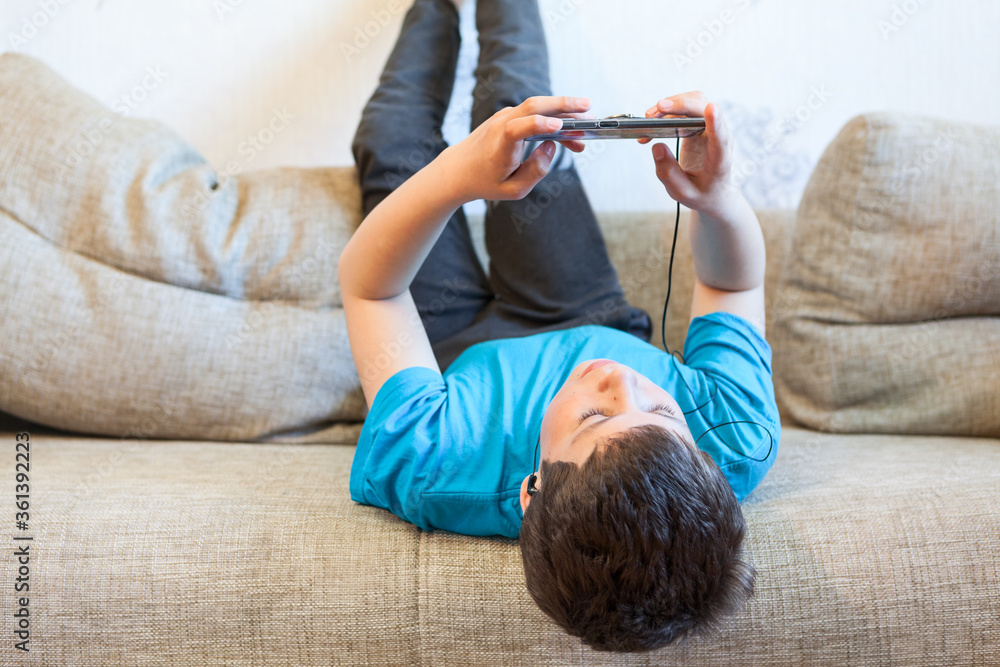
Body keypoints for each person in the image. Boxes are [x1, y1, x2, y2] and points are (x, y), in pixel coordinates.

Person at [339, 0, 780, 652]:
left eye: (597, 417)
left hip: (451, 346)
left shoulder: (436, 460)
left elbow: (370, 288)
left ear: (530, 489)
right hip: (579, 310)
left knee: (394, 143)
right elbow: (732, 284)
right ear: (704, 457)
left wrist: (455, 177)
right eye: (659, 409)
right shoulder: (734, 434)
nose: (619, 379)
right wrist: (717, 198)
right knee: (524, 117)